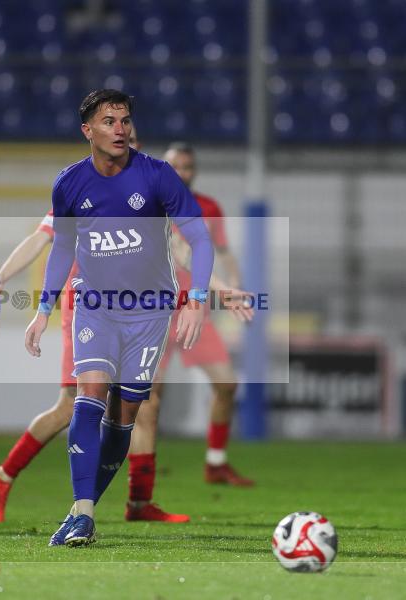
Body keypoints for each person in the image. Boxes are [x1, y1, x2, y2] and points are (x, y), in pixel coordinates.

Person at [24, 89, 215, 547]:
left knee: (124, 418)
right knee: (88, 400)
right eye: (109, 121)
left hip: (149, 313)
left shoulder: (158, 176)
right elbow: (63, 248)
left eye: (125, 120)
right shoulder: (69, 183)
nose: (120, 128)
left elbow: (201, 241)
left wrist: (197, 299)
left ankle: (78, 510)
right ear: (87, 130)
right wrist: (41, 310)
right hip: (95, 306)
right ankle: (85, 513)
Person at [139, 142, 255, 489]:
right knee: (147, 396)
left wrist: (235, 285)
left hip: (195, 311)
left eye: (188, 167)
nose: (183, 173)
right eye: (176, 167)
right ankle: (142, 472)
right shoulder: (149, 205)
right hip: (156, 312)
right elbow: (177, 257)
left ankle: (215, 463)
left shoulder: (207, 208)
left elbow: (223, 252)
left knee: (227, 384)